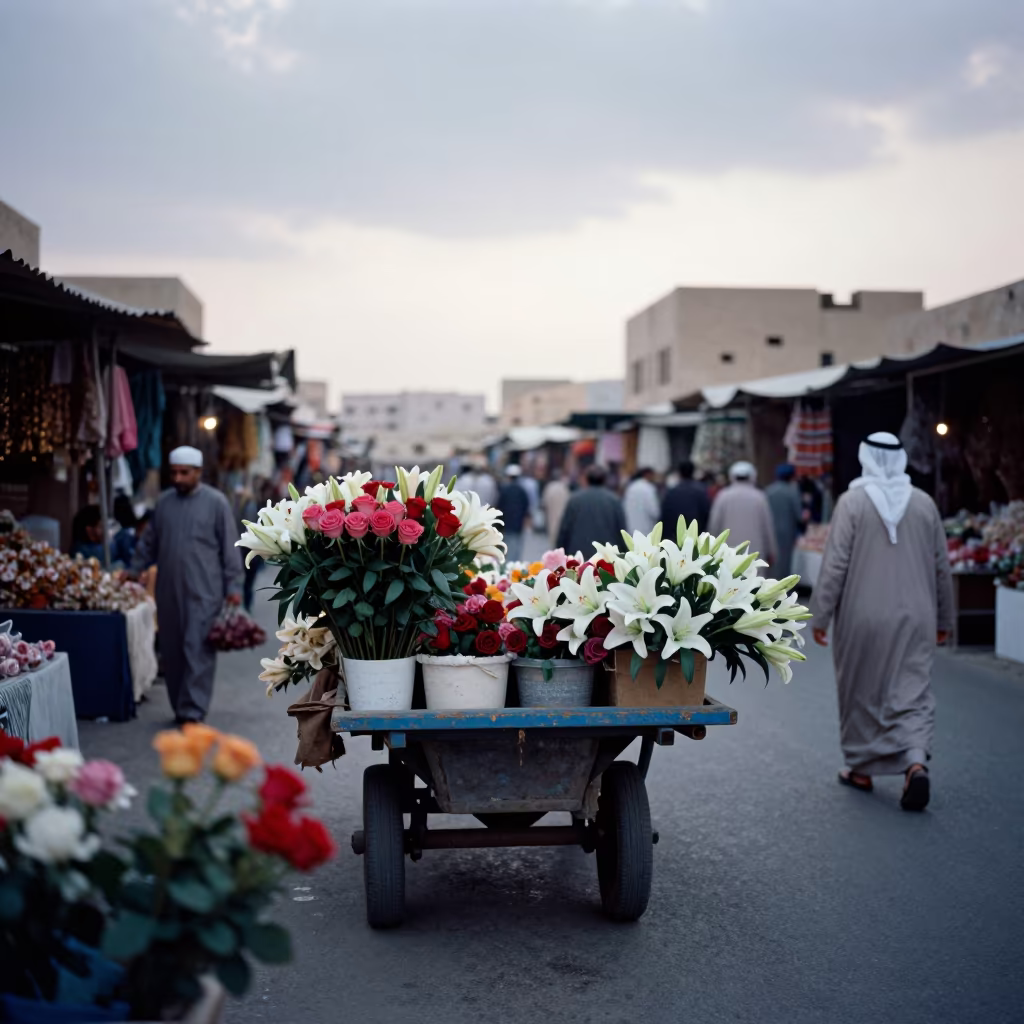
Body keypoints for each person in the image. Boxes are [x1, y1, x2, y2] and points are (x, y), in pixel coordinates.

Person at [811, 432, 954, 812]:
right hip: (917, 616)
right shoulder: (924, 504)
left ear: (866, 458)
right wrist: (945, 617)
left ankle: (860, 769)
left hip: (863, 616)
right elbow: (942, 567)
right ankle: (915, 760)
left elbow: (835, 564)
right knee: (914, 691)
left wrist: (820, 616)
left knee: (862, 690)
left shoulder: (852, 502)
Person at [130, 446, 242, 725]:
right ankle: (181, 705)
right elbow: (149, 542)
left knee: (197, 648)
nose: (178, 478)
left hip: (205, 591)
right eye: (174, 473)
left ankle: (193, 709)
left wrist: (234, 586)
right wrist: (133, 569)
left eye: (184, 473)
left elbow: (230, 547)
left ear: (198, 473)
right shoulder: (165, 502)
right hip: (168, 590)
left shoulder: (217, 503)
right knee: (173, 650)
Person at [707, 461, 777, 567]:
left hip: (727, 550)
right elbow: (767, 526)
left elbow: (714, 524)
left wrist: (710, 548)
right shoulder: (759, 497)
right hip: (754, 550)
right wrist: (771, 550)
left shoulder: (723, 496)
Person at [556, 464, 627, 558]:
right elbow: (622, 532)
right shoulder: (614, 501)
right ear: (605, 480)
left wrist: (559, 551)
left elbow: (565, 530)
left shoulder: (575, 499)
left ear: (586, 479)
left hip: (578, 556)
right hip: (606, 559)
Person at [764, 464, 803, 577]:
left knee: (771, 560)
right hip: (787, 532)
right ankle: (783, 587)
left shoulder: (769, 490)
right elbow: (799, 514)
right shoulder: (792, 491)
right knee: (785, 561)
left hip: (770, 531)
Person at [660, 459, 711, 534]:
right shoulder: (701, 491)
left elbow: (664, 515)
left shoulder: (672, 492)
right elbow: (706, 513)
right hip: (695, 534)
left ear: (679, 472)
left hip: (673, 535)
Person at [496, 465, 531, 563]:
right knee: (517, 549)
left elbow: (499, 507)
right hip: (518, 524)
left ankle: (508, 567)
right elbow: (526, 507)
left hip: (506, 524)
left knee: (507, 548)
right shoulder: (522, 491)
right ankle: (515, 567)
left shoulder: (504, 490)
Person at [623, 467, 661, 536]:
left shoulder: (631, 487)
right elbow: (654, 512)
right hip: (646, 529)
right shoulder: (648, 488)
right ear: (647, 474)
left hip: (631, 528)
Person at [542, 470, 571, 547]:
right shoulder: (564, 487)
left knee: (552, 534)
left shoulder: (549, 487)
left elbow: (545, 503)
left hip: (551, 514)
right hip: (562, 514)